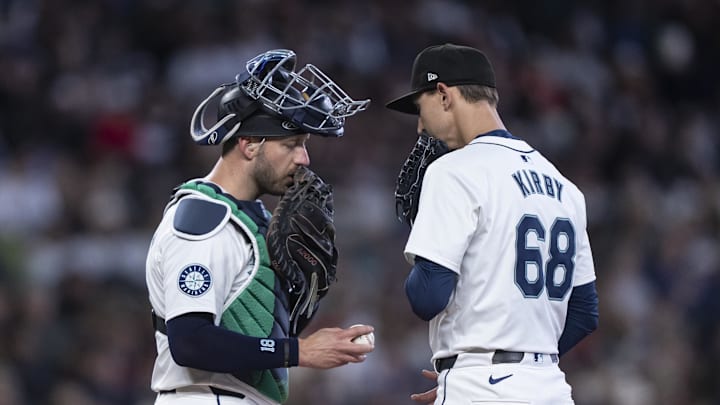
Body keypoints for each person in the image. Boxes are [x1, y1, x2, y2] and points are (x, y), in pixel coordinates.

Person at [145, 49, 374, 405]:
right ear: (249, 145)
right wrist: (298, 351)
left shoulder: (255, 221)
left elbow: (250, 331)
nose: (304, 159)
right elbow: (189, 340)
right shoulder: (204, 220)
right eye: (292, 144)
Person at [386, 43, 599, 404]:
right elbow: (584, 312)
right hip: (551, 388)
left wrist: (476, 371)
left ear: (443, 95)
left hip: (479, 388)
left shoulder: (453, 171)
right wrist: (525, 365)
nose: (420, 126)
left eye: (420, 109)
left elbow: (426, 297)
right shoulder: (564, 186)